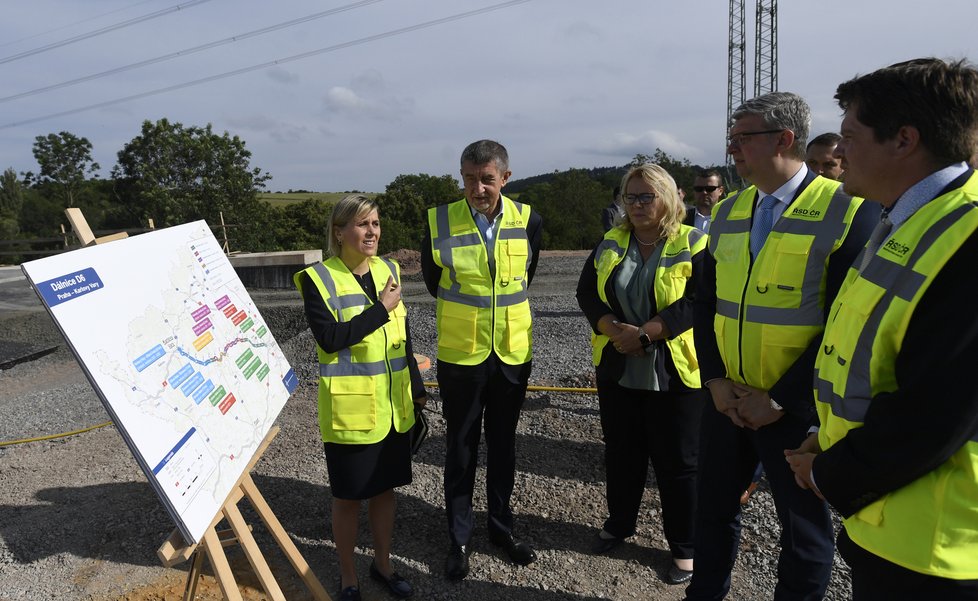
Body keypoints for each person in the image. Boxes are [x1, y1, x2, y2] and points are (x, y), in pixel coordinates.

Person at [786, 58, 978, 601]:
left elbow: (938, 410)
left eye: (849, 135)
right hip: (890, 520)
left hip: (935, 547)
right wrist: (826, 437)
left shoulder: (968, 234)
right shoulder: (909, 219)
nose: (836, 153)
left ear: (904, 141)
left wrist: (829, 473)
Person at [685, 91, 875, 601]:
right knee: (713, 510)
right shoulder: (727, 213)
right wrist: (715, 379)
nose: (732, 150)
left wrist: (780, 400)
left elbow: (846, 324)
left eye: (742, 139)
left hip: (793, 410)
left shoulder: (850, 213)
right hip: (728, 401)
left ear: (784, 139)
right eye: (732, 139)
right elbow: (704, 303)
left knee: (803, 532)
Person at [577, 163, 709, 585]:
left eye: (644, 196)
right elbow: (586, 295)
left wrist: (647, 335)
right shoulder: (610, 243)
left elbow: (699, 300)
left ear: (667, 198)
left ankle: (685, 546)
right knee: (622, 453)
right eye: (628, 197)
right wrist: (612, 329)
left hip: (674, 371)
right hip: (618, 365)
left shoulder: (695, 242)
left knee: (679, 463)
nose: (634, 205)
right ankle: (619, 524)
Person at [421, 139, 544, 580]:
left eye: (487, 179)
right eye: (470, 179)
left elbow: (524, 277)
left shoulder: (529, 220)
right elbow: (436, 283)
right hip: (461, 356)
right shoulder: (439, 221)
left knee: (504, 445)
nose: (477, 188)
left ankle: (501, 529)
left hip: (511, 353)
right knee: (460, 447)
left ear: (505, 178)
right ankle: (459, 537)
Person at [294, 194, 427, 601]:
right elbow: (330, 340)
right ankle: (349, 576)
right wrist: (381, 309)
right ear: (339, 232)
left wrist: (417, 391)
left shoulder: (389, 269)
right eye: (361, 224)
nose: (371, 231)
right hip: (351, 413)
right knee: (349, 499)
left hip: (392, 409)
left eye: (375, 223)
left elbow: (400, 338)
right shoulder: (318, 279)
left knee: (385, 492)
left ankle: (383, 564)